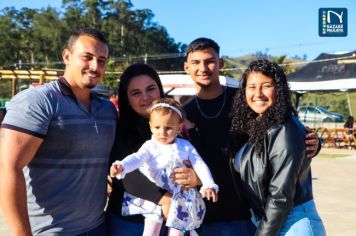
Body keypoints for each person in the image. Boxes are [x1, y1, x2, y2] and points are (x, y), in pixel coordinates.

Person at [178, 37, 322, 235]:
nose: (203, 68)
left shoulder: (245, 100)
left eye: (210, 61)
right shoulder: (182, 114)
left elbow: (284, 126)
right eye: (195, 62)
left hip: (247, 216)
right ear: (186, 67)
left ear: (221, 63)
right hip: (205, 216)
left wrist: (313, 142)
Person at [0, 28, 117, 235]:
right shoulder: (39, 101)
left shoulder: (107, 110)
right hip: (49, 231)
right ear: (67, 56)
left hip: (98, 226)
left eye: (101, 60)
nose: (95, 66)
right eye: (87, 57)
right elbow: (8, 168)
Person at [229, 59, 326, 235]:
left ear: (278, 90)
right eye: (251, 87)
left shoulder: (284, 128)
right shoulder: (255, 124)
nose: (258, 93)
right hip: (271, 220)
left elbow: (280, 197)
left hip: (292, 223)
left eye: (266, 86)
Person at [110, 97, 218, 236]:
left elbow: (199, 164)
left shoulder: (185, 146)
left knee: (178, 229)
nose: (162, 132)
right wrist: (122, 165)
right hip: (158, 194)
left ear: (178, 128)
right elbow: (137, 158)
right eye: (157, 127)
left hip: (180, 194)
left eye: (168, 128)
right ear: (150, 126)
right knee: (151, 228)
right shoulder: (150, 146)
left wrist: (208, 183)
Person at [106, 63, 172, 236]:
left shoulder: (177, 125)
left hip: (172, 222)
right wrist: (165, 200)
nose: (146, 97)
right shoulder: (118, 129)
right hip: (130, 225)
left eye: (151, 88)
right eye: (136, 93)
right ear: (126, 98)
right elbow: (125, 174)